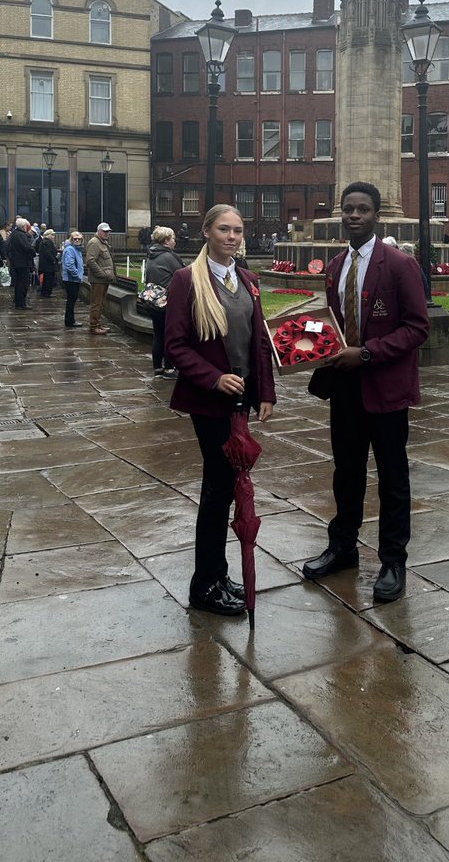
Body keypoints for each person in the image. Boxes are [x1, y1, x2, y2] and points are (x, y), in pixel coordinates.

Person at [302, 181, 430, 603]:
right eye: (348, 209)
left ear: (377, 215)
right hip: (346, 389)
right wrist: (310, 344)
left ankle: (393, 560)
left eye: (362, 209)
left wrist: (368, 354)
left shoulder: (398, 264)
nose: (354, 215)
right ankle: (343, 546)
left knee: (393, 478)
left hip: (386, 389)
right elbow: (336, 327)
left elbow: (417, 328)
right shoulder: (336, 266)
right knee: (347, 472)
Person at [163, 204, 276, 615]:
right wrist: (213, 377)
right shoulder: (186, 280)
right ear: (207, 231)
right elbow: (175, 345)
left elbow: (259, 341)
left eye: (238, 230)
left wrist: (266, 392)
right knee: (218, 489)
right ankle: (204, 587)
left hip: (243, 398)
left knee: (228, 487)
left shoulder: (248, 279)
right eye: (224, 229)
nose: (232, 236)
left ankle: (218, 573)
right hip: (210, 400)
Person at [146, 226, 184, 377]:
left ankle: (158, 368)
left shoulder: (151, 254)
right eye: (173, 238)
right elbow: (183, 274)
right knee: (170, 335)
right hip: (167, 303)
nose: (175, 241)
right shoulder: (169, 256)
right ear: (166, 240)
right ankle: (169, 368)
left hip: (153, 302)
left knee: (159, 334)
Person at [86, 222, 115, 334]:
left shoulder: (102, 242)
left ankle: (98, 323)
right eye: (104, 231)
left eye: (108, 231)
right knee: (96, 303)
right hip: (98, 279)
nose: (107, 233)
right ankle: (94, 326)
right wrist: (101, 274)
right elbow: (90, 261)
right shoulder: (94, 243)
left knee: (101, 302)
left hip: (103, 279)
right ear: (98, 231)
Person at [7, 217, 37, 309]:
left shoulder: (13, 234)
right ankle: (21, 303)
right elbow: (27, 248)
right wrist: (33, 252)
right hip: (22, 263)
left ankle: (18, 301)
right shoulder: (21, 235)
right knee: (23, 284)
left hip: (16, 262)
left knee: (19, 283)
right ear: (23, 226)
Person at [61, 231, 85, 327]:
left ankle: (70, 320)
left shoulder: (76, 249)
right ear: (71, 239)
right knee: (71, 300)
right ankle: (70, 321)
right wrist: (77, 276)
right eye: (75, 238)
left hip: (73, 279)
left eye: (79, 238)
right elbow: (69, 265)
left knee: (72, 300)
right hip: (71, 280)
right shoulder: (71, 249)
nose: (77, 240)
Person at [37, 229, 59, 298]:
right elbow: (48, 253)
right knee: (48, 280)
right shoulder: (46, 242)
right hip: (48, 265)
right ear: (47, 235)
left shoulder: (44, 242)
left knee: (46, 279)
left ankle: (45, 293)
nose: (53, 237)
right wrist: (53, 260)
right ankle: (47, 293)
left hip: (46, 265)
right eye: (52, 235)